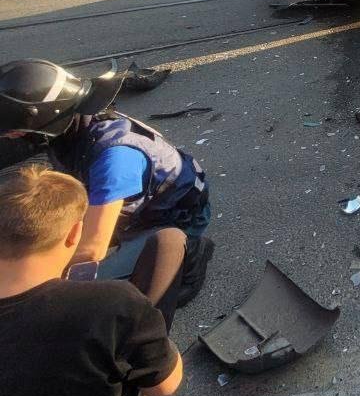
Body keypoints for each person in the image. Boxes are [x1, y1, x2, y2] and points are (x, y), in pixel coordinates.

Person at [0, 164, 184, 396]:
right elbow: (166, 386)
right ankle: (145, 346)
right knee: (169, 242)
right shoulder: (109, 304)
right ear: (74, 234)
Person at [0, 59, 213, 305]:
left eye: (15, 131)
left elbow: (92, 249)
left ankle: (190, 254)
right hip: (131, 204)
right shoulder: (76, 123)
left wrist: (29, 279)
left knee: (94, 299)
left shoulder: (114, 159)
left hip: (171, 221)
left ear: (46, 117)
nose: (12, 136)